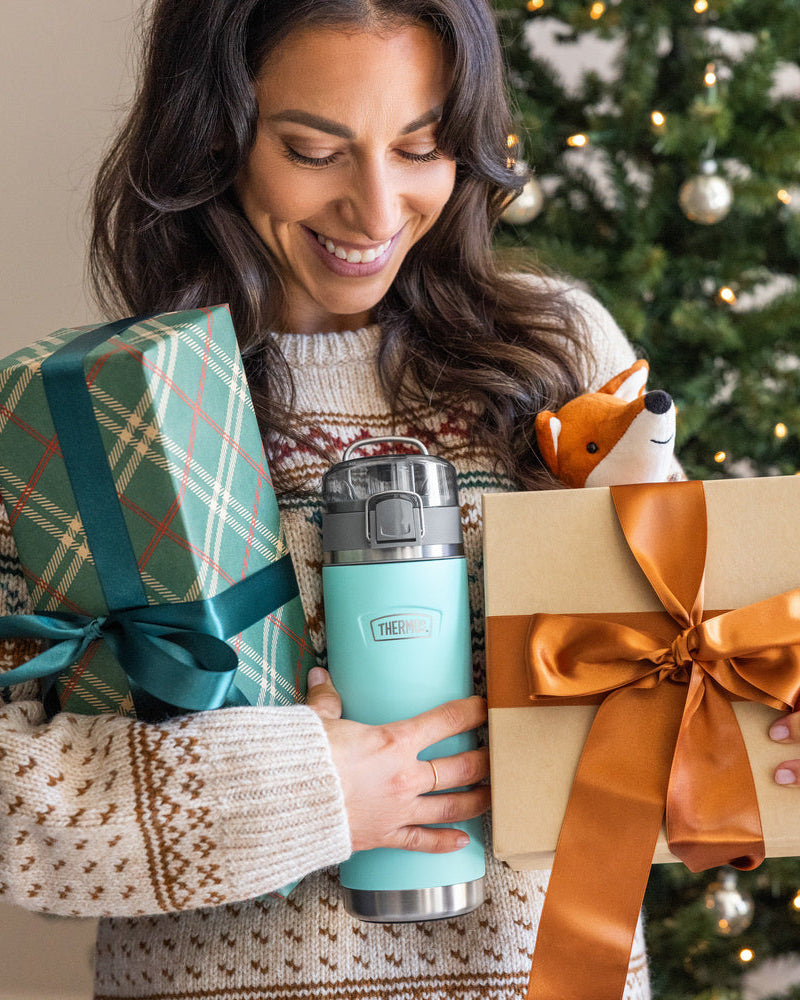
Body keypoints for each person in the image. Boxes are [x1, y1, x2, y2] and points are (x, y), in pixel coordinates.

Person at [5, 1, 792, 998]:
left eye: (420, 146)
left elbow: (685, 670)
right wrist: (304, 792)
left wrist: (753, 708)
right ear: (215, 134)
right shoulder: (91, 421)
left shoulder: (562, 364)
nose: (376, 211)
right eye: (312, 150)